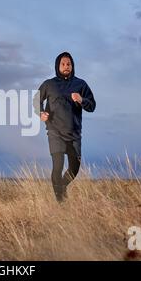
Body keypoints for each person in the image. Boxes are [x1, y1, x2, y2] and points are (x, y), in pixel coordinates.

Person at [33, 52, 96, 202]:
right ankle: (60, 202)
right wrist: (40, 113)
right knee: (58, 165)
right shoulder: (49, 84)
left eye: (69, 64)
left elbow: (92, 105)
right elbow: (36, 100)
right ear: (57, 66)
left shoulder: (81, 84)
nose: (66, 66)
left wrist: (81, 99)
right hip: (55, 132)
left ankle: (62, 186)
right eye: (63, 64)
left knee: (74, 169)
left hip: (74, 133)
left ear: (72, 66)